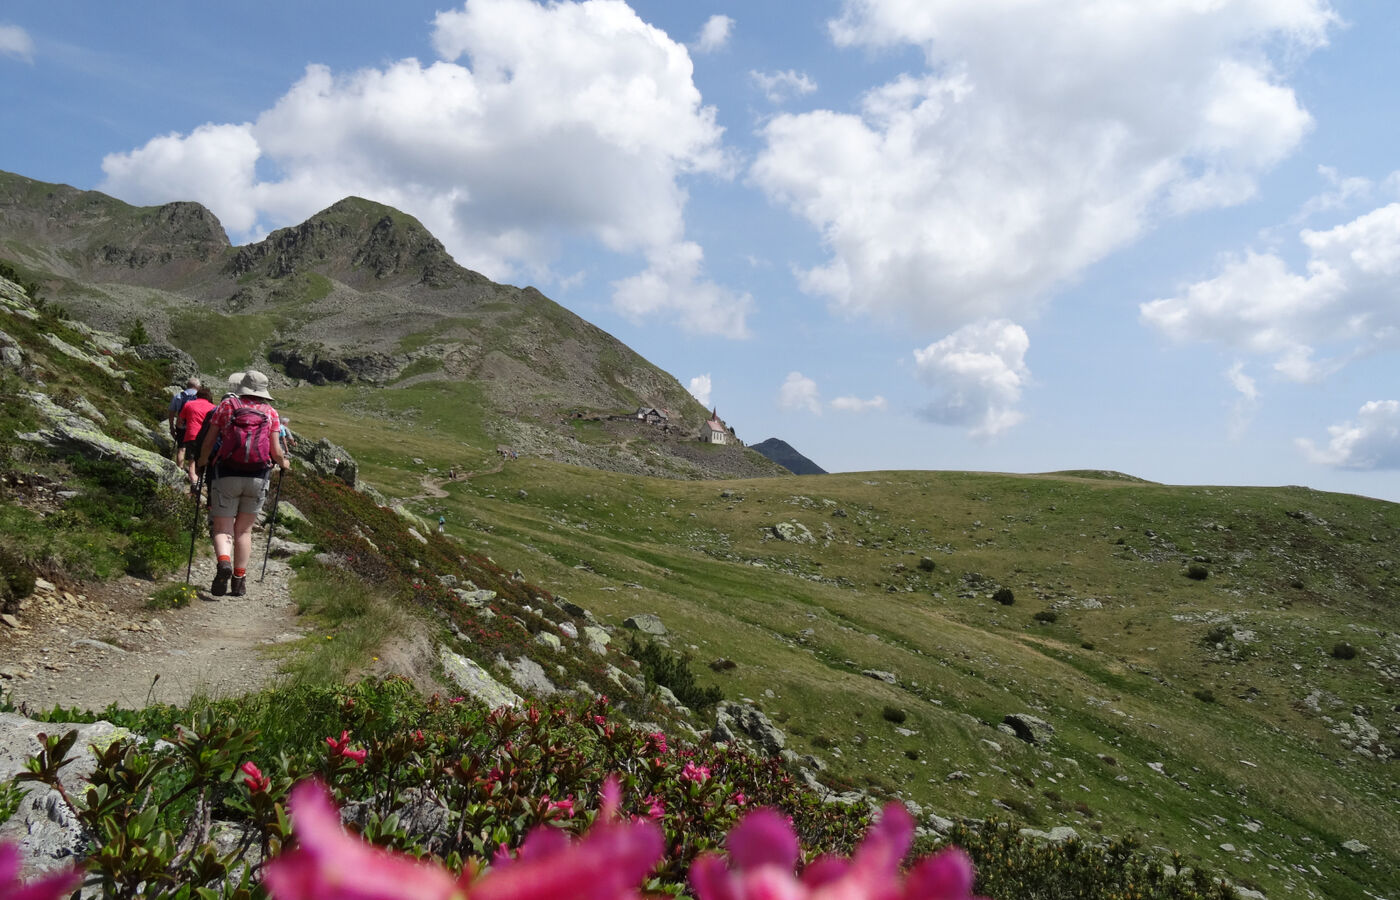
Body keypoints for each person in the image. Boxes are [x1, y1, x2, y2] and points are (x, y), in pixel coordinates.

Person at [195, 370, 291, 598]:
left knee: (222, 527)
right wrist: (284, 464)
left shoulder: (228, 405)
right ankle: (239, 580)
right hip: (258, 476)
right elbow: (276, 451)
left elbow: (209, 440)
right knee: (244, 531)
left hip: (226, 472)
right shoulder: (271, 412)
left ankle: (224, 563)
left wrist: (201, 461)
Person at [176, 386, 216, 490]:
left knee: (191, 459)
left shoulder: (188, 404)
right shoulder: (212, 407)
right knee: (202, 459)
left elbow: (180, 421)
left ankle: (193, 479)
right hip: (206, 437)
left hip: (191, 434)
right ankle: (199, 481)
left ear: (197, 395)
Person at [167, 377, 200, 466]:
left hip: (181, 426)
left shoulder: (178, 396)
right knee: (193, 450)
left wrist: (171, 427)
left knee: (181, 448)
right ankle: (192, 472)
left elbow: (171, 413)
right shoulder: (199, 397)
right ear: (197, 386)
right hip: (194, 427)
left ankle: (179, 469)